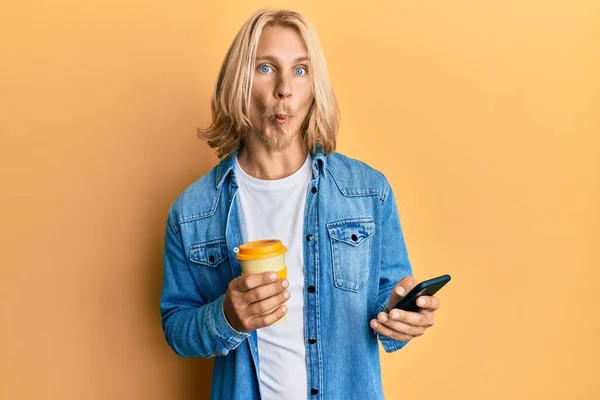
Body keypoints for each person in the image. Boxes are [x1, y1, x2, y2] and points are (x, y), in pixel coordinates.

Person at [160, 8, 441, 400]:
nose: (284, 89)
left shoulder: (367, 192)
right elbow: (176, 326)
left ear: (314, 87)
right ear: (238, 82)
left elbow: (386, 302)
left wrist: (401, 316)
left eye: (300, 70)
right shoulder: (192, 212)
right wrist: (226, 316)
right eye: (265, 68)